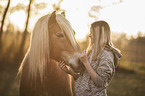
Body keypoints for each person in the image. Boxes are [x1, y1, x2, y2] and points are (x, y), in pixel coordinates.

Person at [59, 20, 122, 96]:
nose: (89, 35)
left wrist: (85, 62)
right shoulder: (92, 52)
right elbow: (85, 78)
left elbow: (100, 82)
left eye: (92, 32)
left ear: (98, 34)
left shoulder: (107, 55)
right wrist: (69, 72)